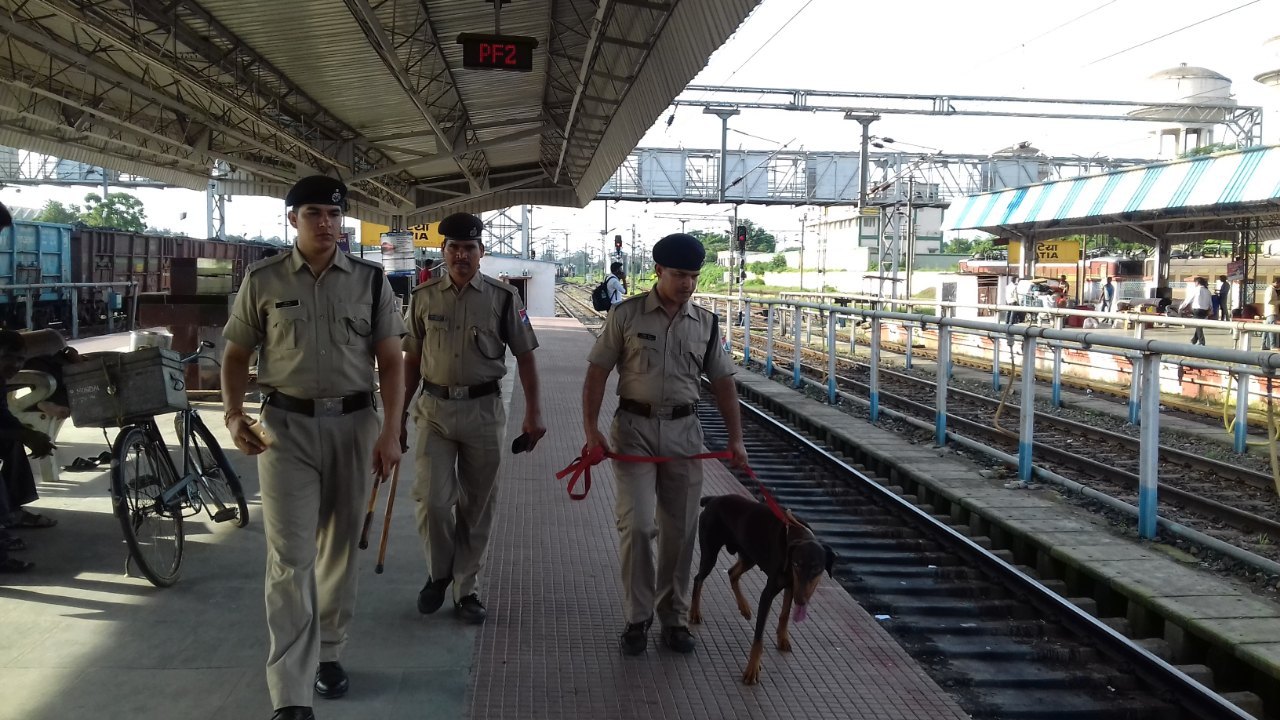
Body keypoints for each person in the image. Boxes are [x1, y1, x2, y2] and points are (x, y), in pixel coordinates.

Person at [220, 175, 406, 720]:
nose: (325, 223)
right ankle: (291, 689)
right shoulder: (263, 279)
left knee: (340, 548)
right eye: (313, 214)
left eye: (332, 214)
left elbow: (391, 363)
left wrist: (391, 433)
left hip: (354, 426)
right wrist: (233, 415)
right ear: (292, 220)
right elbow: (235, 356)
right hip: (286, 429)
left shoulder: (371, 282)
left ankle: (329, 652)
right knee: (290, 556)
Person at [581, 232, 748, 657]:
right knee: (637, 526)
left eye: (693, 276)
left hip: (684, 435)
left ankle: (673, 618)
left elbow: (725, 383)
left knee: (681, 532)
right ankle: (638, 617)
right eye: (678, 275)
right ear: (658, 272)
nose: (687, 284)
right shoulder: (626, 315)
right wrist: (591, 432)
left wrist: (735, 439)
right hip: (633, 431)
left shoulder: (707, 325)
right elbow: (598, 373)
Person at [402, 212, 545, 627]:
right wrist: (395, 417)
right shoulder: (424, 297)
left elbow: (527, 356)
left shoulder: (502, 299)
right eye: (453, 248)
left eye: (469, 248)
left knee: (477, 505)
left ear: (482, 253)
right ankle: (440, 571)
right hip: (434, 410)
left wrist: (534, 413)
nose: (461, 255)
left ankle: (466, 589)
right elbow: (411, 359)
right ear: (443, 252)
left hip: (484, 411)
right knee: (432, 501)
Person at [1178, 277, 1213, 345]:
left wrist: (1181, 307)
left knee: (1198, 326)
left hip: (1197, 310)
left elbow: (1188, 300)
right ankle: (1194, 340)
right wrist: (1211, 310)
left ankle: (1202, 342)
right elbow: (1210, 303)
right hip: (1205, 311)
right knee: (1199, 325)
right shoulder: (1208, 291)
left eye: (1195, 282)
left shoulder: (1196, 290)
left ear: (1197, 283)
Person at [1264, 278, 1280, 350]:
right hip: (1271, 311)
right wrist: (1278, 302)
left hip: (1270, 311)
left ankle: (1263, 344)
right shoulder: (1271, 290)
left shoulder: (1271, 289)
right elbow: (1269, 301)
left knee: (1266, 329)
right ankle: (1272, 345)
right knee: (1272, 329)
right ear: (1276, 283)